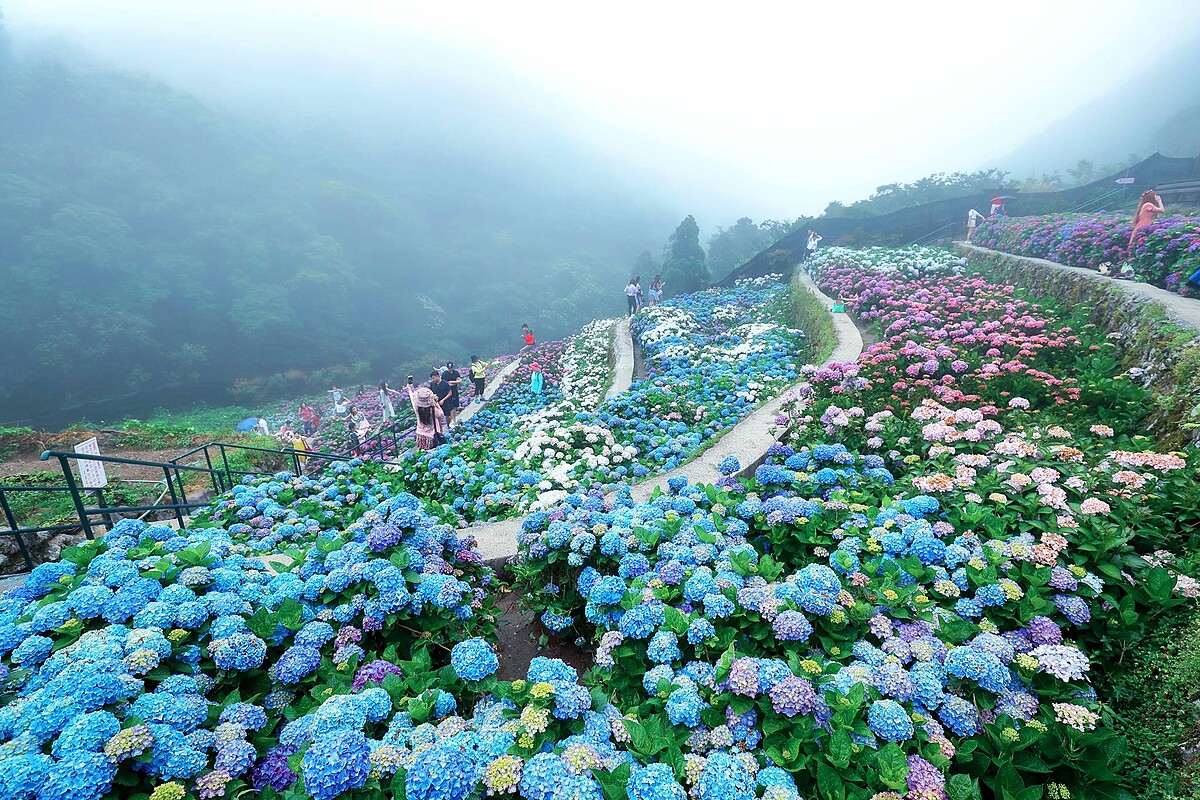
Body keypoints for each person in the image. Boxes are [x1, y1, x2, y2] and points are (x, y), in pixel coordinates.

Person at [411, 386, 447, 451]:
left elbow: (412, 399)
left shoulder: (417, 409)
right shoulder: (433, 410)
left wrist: (409, 389)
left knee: (423, 453)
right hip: (432, 437)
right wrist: (435, 403)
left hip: (421, 436)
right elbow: (441, 413)